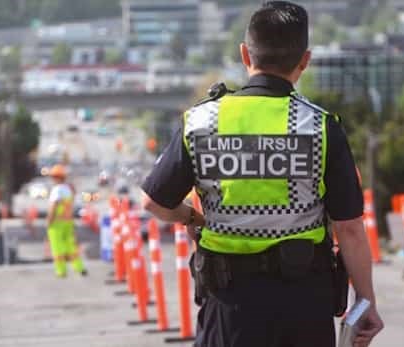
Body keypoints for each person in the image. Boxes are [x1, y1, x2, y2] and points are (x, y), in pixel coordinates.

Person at [141, 2, 383, 346]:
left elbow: (154, 202)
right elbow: (350, 229)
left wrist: (193, 217)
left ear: (245, 54)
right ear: (305, 61)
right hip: (303, 308)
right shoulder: (320, 128)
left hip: (227, 309)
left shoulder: (201, 122)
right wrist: (365, 301)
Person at [46, 164, 87, 277]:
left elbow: (53, 206)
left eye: (53, 176)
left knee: (57, 247)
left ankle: (61, 270)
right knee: (71, 246)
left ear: (57, 177)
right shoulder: (68, 189)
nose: (52, 179)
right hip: (68, 221)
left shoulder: (56, 190)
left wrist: (49, 220)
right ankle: (79, 267)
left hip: (57, 223)